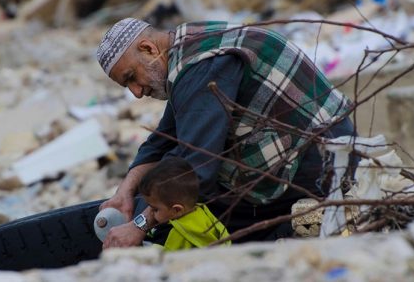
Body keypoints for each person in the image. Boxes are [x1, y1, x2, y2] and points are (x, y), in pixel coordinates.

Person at [97, 18, 357, 249]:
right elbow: (163, 139)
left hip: (323, 162)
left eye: (132, 77)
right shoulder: (189, 49)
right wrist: (125, 192)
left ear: (148, 49)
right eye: (127, 85)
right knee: (158, 192)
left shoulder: (200, 68)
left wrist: (140, 225)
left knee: (173, 218)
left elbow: (197, 171)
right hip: (317, 147)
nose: (136, 92)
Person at [137, 156, 230, 251]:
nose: (150, 213)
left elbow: (151, 260)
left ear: (177, 210)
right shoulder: (203, 212)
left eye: (155, 209)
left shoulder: (169, 234)